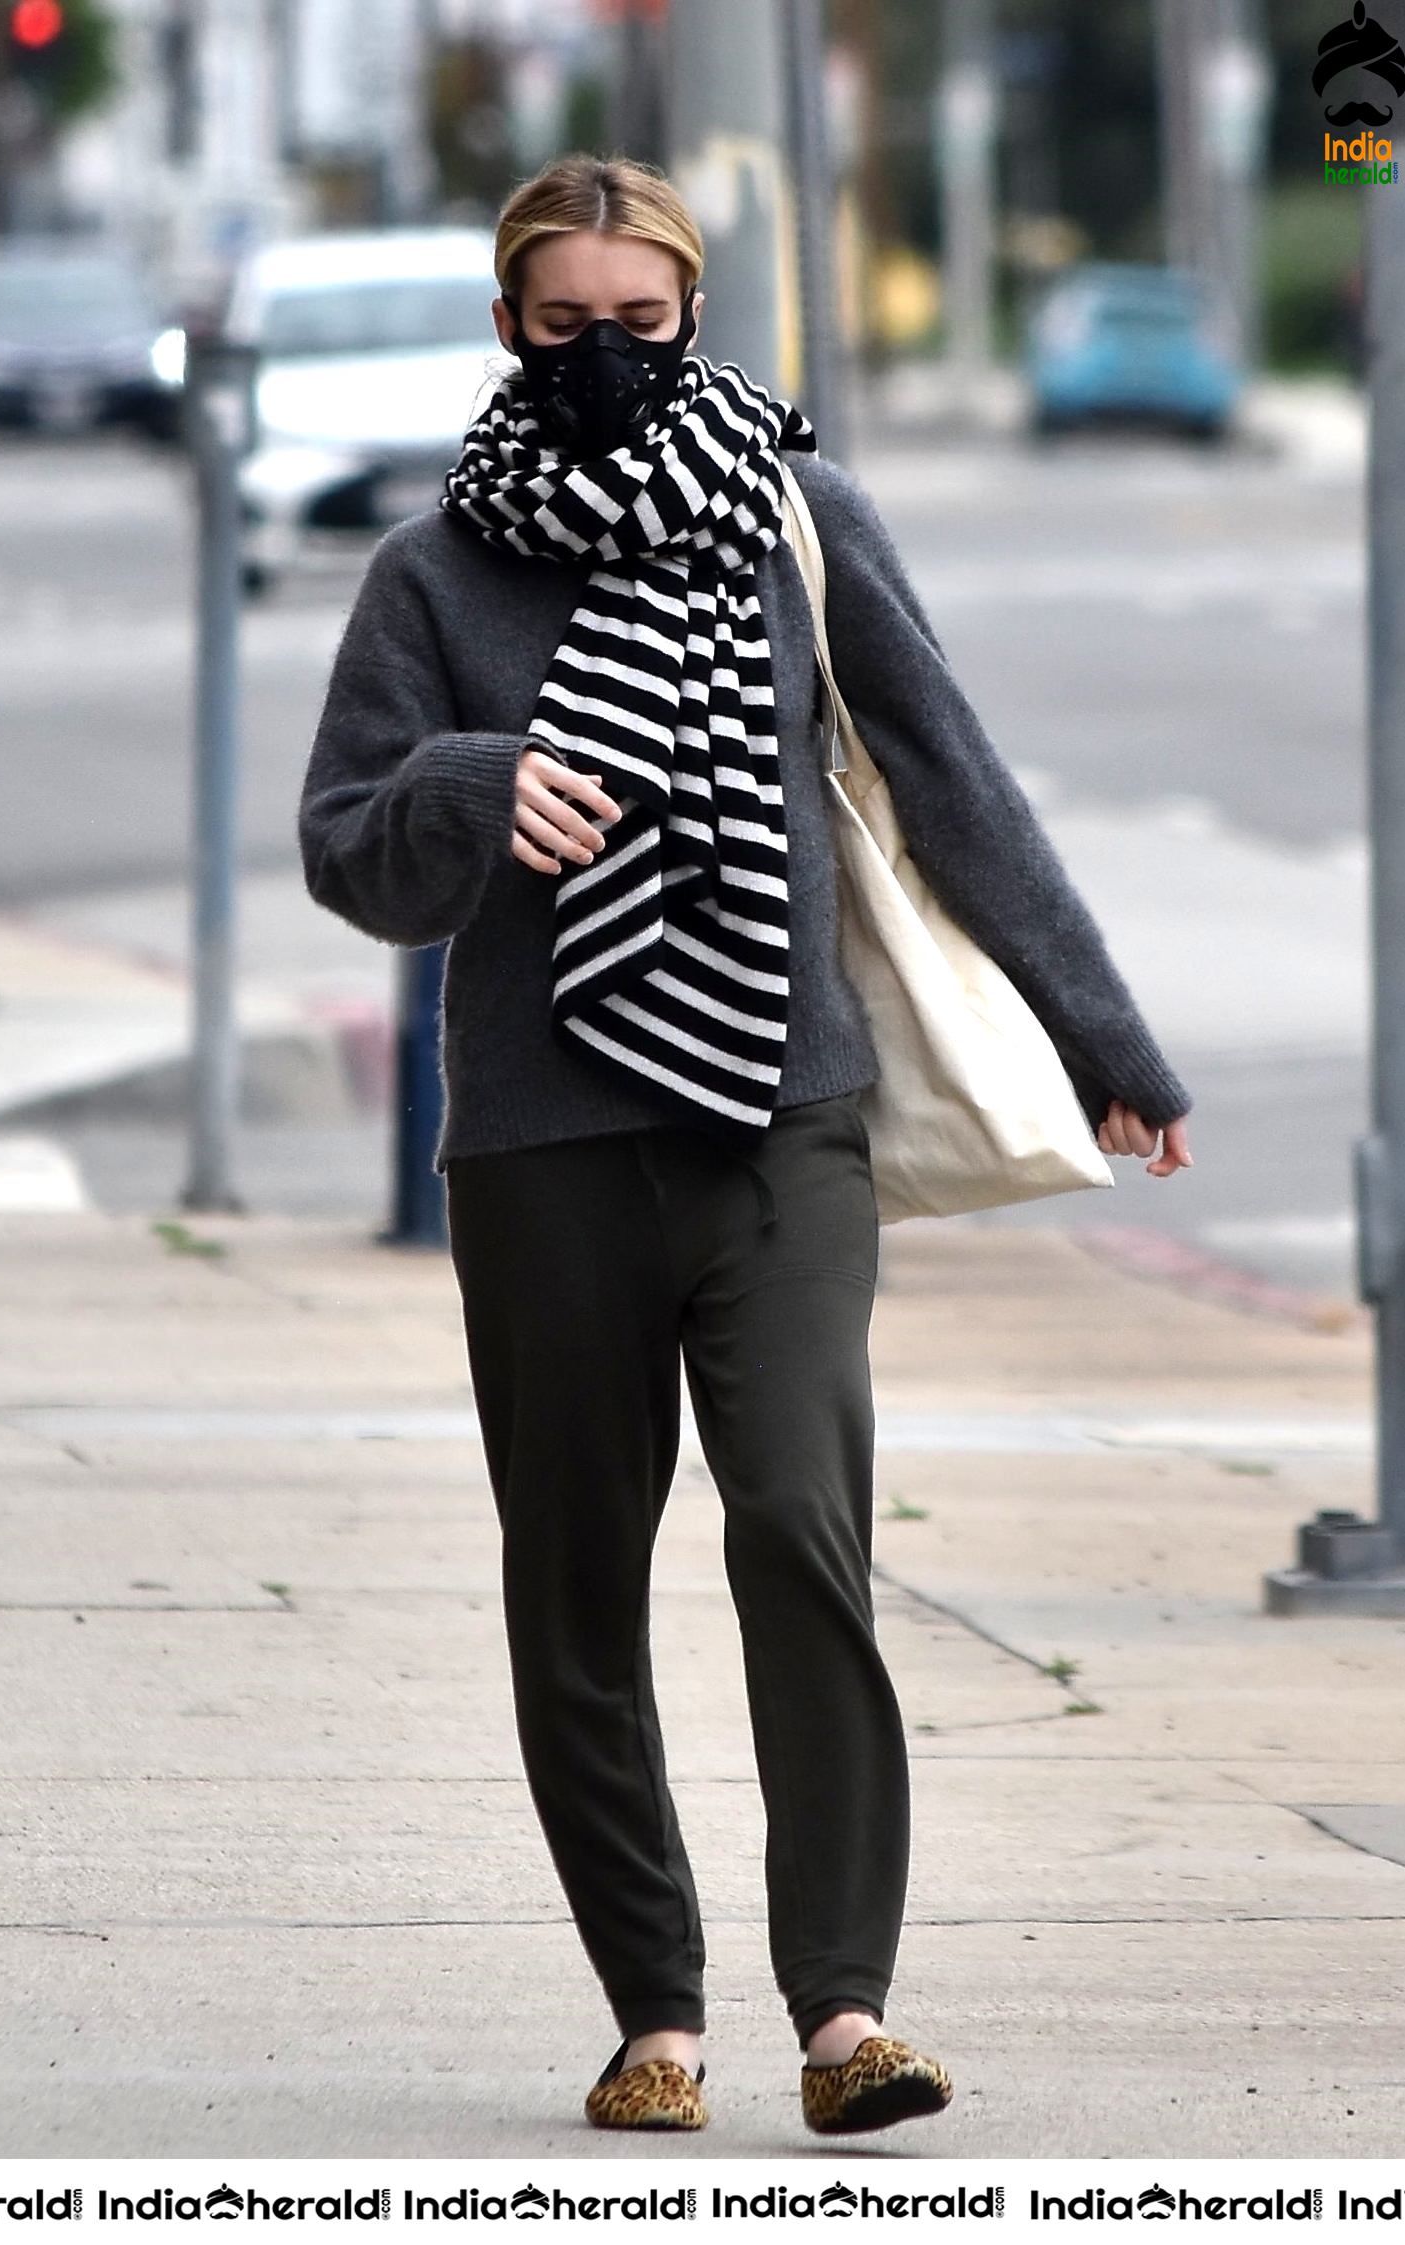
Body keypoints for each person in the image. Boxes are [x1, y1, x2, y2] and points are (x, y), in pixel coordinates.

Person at [297, 152, 1195, 2137]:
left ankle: (843, 2013)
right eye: (562, 328)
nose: (605, 358)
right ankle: (653, 2014)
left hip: (780, 1117)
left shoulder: (791, 519)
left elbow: (948, 771)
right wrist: (468, 782)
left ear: (692, 311)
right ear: (506, 325)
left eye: (641, 322)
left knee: (799, 1521)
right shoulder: (431, 576)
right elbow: (342, 844)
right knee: (574, 1581)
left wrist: (1100, 1033)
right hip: (536, 1141)